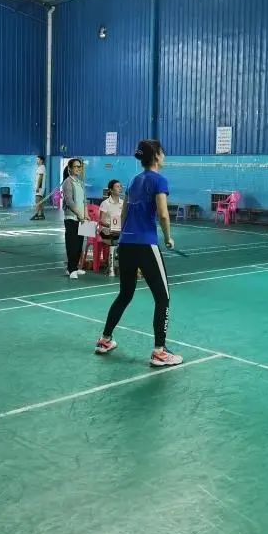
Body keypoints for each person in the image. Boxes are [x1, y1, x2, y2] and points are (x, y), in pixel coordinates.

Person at [94, 139, 181, 367]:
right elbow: (163, 213)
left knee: (125, 294)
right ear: (157, 156)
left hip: (126, 244)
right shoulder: (159, 180)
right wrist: (168, 237)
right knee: (163, 297)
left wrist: (124, 236)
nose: (164, 156)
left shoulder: (134, 180)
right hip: (145, 244)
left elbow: (123, 213)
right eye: (163, 152)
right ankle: (160, 351)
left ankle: (105, 340)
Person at [61, 158, 88, 278]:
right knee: (72, 244)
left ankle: (75, 267)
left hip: (81, 219)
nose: (78, 169)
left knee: (79, 245)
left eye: (79, 166)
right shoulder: (67, 182)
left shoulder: (80, 183)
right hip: (71, 218)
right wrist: (79, 215)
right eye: (76, 166)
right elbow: (69, 202)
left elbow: (84, 200)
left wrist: (86, 214)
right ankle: (71, 270)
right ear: (70, 169)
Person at [97, 179, 124, 277]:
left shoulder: (123, 203)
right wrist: (111, 226)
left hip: (119, 231)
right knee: (119, 239)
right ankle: (112, 267)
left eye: (120, 186)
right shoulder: (105, 203)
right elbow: (101, 221)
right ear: (111, 190)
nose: (120, 188)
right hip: (106, 231)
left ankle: (122, 266)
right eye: (117, 186)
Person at [32, 155, 46, 220]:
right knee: (40, 201)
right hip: (40, 187)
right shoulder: (41, 167)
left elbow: (40, 177)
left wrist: (37, 187)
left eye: (38, 159)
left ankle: (36, 214)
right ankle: (42, 214)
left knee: (37, 201)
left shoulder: (41, 167)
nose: (37, 161)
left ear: (41, 160)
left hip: (40, 187)